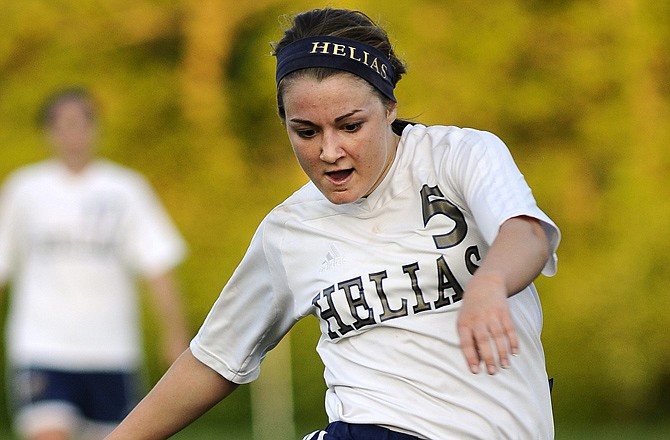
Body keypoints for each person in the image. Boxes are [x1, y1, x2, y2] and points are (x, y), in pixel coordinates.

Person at [105, 7, 560, 440]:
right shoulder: (289, 230)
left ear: (388, 108)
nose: (329, 150)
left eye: (350, 125)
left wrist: (490, 283)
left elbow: (527, 233)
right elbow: (214, 359)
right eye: (306, 132)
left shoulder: (458, 157)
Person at [0, 87, 190, 440]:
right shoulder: (24, 190)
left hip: (111, 351)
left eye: (82, 123)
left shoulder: (125, 189)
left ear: (94, 128)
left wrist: (174, 335)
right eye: (64, 124)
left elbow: (158, 265)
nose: (74, 134)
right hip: (42, 348)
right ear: (50, 131)